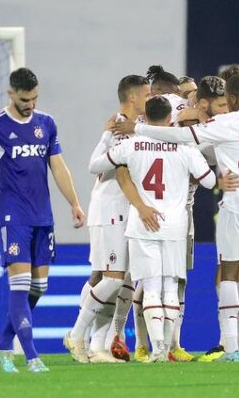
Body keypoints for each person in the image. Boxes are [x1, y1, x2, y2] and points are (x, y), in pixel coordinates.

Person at [114, 74, 239, 362]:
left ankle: (233, 348)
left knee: (228, 272)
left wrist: (138, 128)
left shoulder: (225, 123)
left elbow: (182, 137)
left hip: (237, 204)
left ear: (233, 98)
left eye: (226, 101)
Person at [0, 67, 85, 373]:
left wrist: (74, 203)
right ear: (11, 94)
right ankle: (31, 356)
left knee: (39, 287)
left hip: (42, 216)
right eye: (24, 98)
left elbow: (58, 167)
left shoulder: (46, 123)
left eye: (34, 98)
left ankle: (1, 345)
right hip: (13, 216)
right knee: (19, 286)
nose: (30, 104)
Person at [91, 96, 216, 362]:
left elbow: (95, 166)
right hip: (175, 225)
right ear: (170, 117)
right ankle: (167, 346)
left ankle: (157, 346)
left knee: (149, 287)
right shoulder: (185, 148)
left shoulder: (132, 144)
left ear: (144, 118)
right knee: (170, 287)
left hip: (142, 223)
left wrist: (106, 138)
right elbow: (209, 181)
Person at [63, 75, 150, 363]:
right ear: (133, 97)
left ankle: (97, 346)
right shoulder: (120, 130)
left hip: (121, 210)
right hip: (112, 209)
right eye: (146, 94)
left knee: (111, 277)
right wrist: (120, 149)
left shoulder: (133, 128)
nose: (149, 99)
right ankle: (77, 335)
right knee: (112, 279)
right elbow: (94, 165)